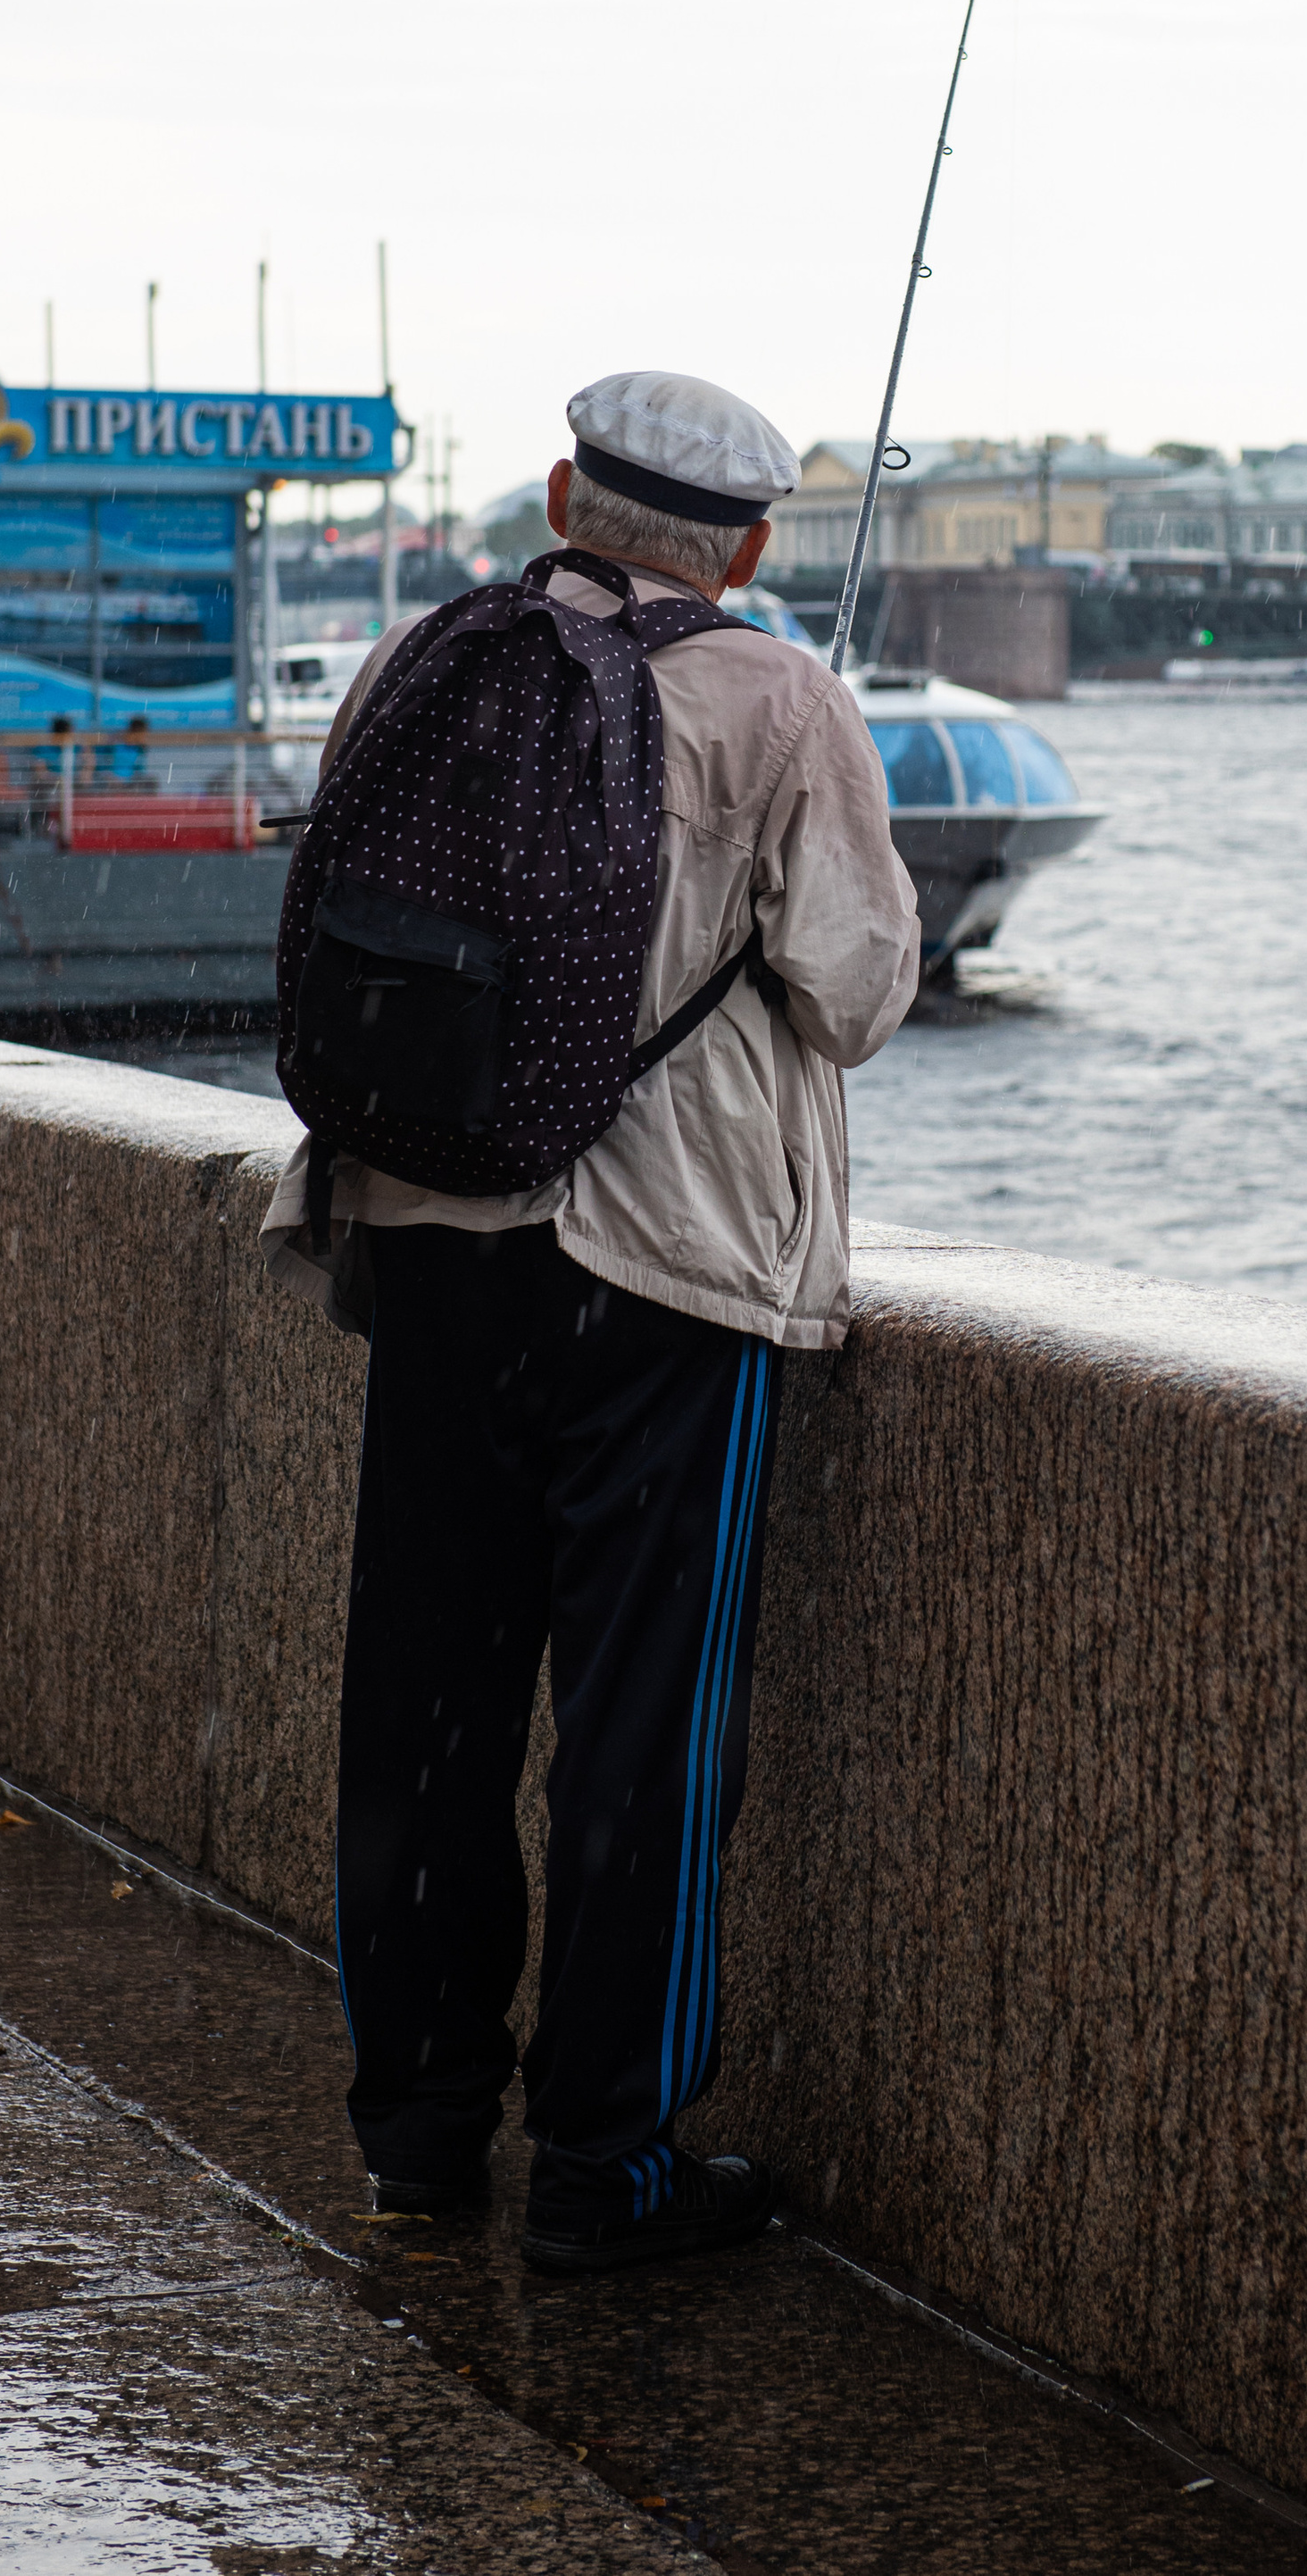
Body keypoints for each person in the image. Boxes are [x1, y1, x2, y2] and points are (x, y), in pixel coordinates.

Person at [262, 371, 920, 2274]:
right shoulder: (777, 697)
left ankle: (414, 2134)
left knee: (426, 1714)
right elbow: (859, 991)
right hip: (663, 1275)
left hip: (429, 1230)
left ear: (559, 492)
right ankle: (603, 2172)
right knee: (643, 1733)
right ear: (747, 547)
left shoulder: (417, 661)